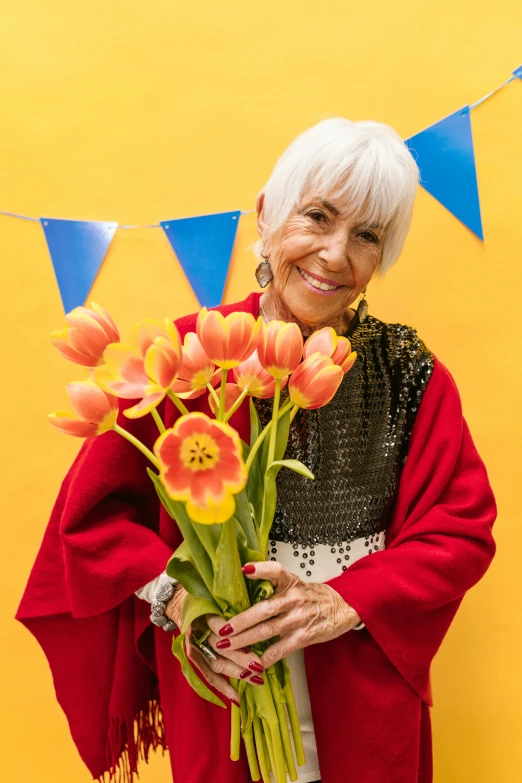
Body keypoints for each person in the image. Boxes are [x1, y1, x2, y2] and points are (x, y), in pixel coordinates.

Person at [16, 118, 496, 783]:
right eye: (318, 217)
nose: (334, 255)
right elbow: (92, 523)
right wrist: (186, 605)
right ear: (268, 213)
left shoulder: (410, 374)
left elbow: (461, 528)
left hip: (362, 691)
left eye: (366, 235)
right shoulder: (187, 361)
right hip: (227, 688)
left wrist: (345, 600)